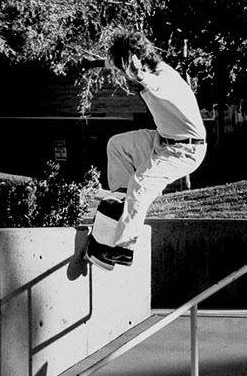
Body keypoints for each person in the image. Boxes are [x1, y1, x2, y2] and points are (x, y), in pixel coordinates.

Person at [85, 30, 207, 269]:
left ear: (137, 64)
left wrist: (139, 73)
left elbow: (157, 86)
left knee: (140, 185)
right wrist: (96, 63)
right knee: (118, 146)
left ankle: (123, 249)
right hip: (161, 140)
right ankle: (122, 203)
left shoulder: (165, 79)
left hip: (185, 151)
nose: (125, 79)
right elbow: (118, 63)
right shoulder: (149, 70)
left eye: (125, 72)